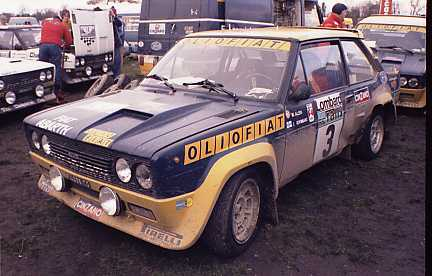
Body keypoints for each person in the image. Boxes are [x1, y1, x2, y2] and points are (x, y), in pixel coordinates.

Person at [39, 13, 73, 104]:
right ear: (59, 19)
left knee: (43, 69)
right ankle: (57, 92)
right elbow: (69, 41)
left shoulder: (45, 23)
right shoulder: (62, 25)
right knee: (56, 67)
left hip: (42, 47)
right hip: (54, 47)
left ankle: (40, 91)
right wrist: (66, 45)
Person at [110, 6, 125, 78]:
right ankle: (115, 76)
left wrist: (114, 16)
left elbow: (119, 24)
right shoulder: (109, 20)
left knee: (117, 61)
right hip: (113, 43)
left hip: (116, 43)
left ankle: (116, 76)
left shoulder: (115, 20)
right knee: (115, 61)